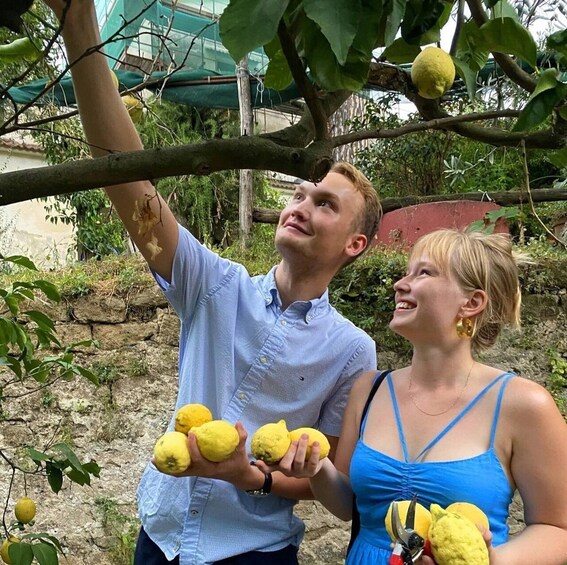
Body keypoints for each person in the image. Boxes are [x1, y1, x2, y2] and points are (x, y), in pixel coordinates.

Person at [40, 1, 382, 563]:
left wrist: (249, 475)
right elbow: (133, 189)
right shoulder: (214, 287)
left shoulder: (351, 351)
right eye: (300, 193)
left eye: (324, 204)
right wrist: (78, 23)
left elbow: (328, 484)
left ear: (355, 244)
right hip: (160, 540)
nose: (301, 205)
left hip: (253, 552)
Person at [256, 228, 567, 564]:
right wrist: (317, 469)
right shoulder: (369, 390)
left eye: (424, 272)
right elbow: (347, 506)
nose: (399, 284)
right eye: (406, 272)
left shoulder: (523, 404)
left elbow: (557, 528)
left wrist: (491, 561)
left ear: (472, 302)